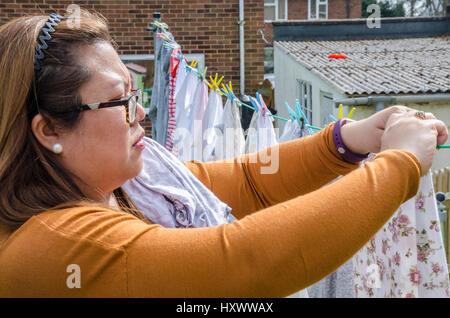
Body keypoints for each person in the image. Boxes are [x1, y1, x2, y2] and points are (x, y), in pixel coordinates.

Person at [0, 10, 447, 297]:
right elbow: (242, 263)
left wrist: (348, 140)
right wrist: (399, 166)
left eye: (137, 94)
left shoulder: (134, 181)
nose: (140, 113)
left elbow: (246, 180)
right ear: (48, 129)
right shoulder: (61, 247)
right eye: (119, 101)